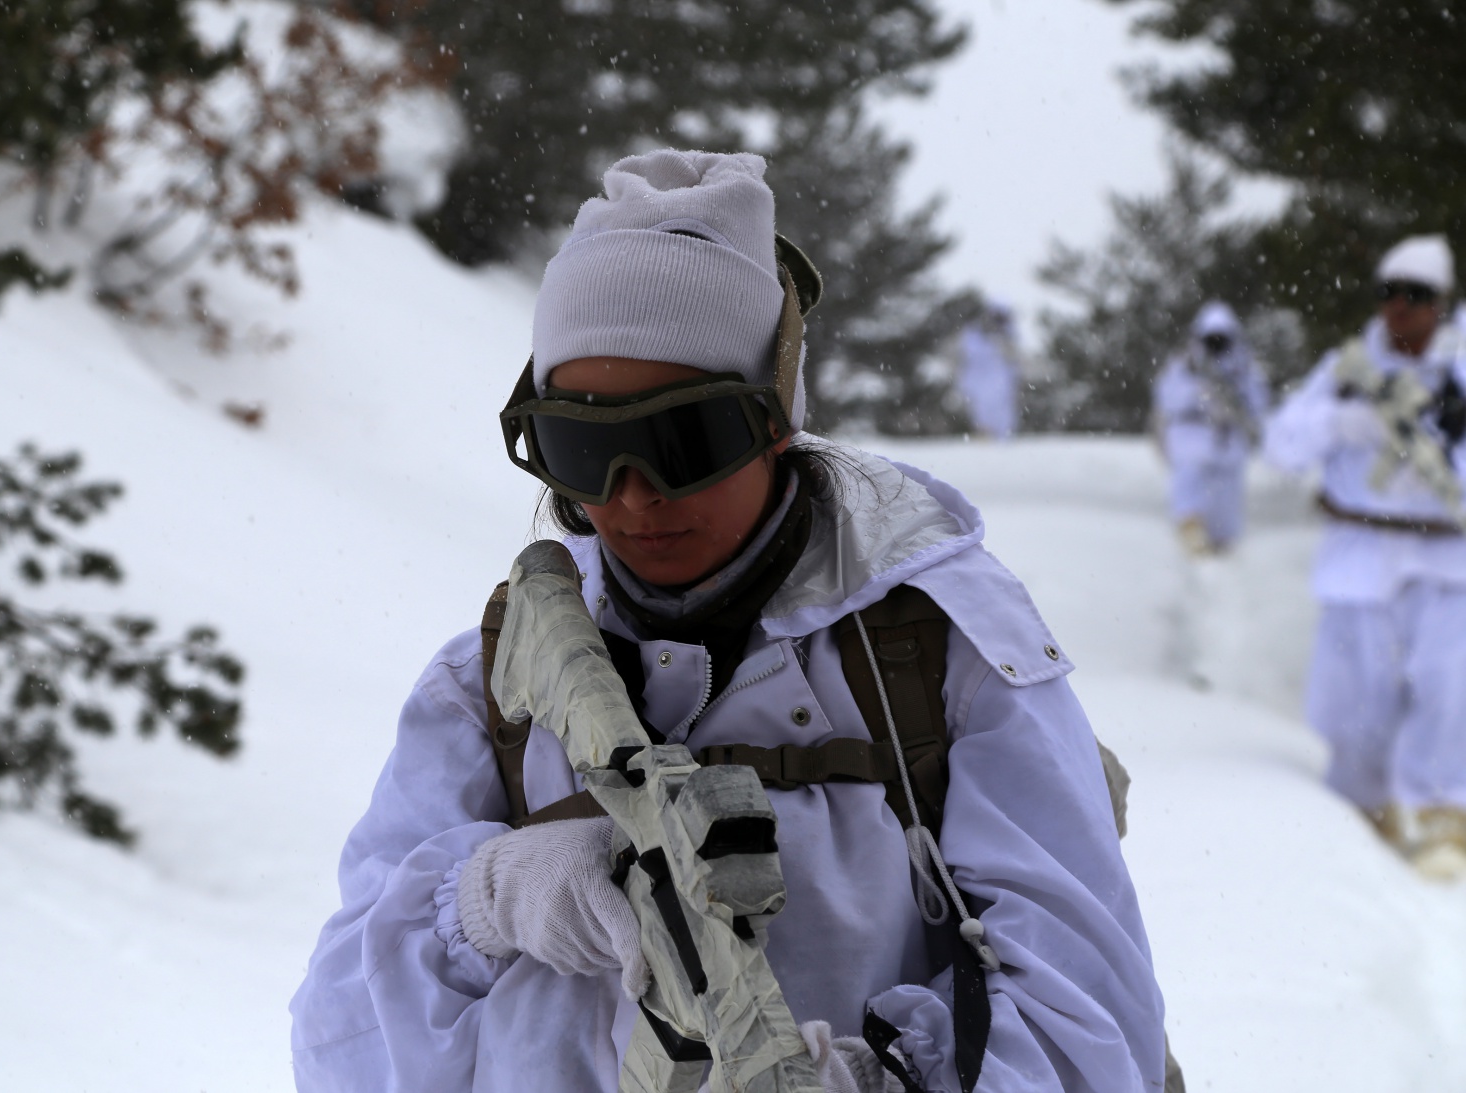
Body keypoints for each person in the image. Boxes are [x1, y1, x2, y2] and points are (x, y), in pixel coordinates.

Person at [289, 150, 1167, 1091]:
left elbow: (1094, 1030)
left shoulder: (943, 658)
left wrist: (876, 1080)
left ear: (775, 418)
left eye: (684, 440)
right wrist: (483, 900)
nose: (632, 499)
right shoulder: (492, 689)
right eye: (583, 450)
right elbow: (338, 1046)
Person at [1264, 234, 1466, 879]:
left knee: (1447, 686)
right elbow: (1282, 443)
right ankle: (1360, 813)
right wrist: (1341, 422)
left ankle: (1443, 818)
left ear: (1442, 303)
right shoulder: (1348, 367)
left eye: (1417, 296)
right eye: (1390, 294)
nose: (1401, 309)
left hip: (1446, 556)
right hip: (1362, 552)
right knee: (1357, 695)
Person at [1151, 302, 1270, 555]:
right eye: (1211, 338)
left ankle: (1223, 544)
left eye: (1222, 338)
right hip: (1192, 436)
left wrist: (1234, 404)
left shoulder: (1245, 367)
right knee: (1191, 482)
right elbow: (1166, 398)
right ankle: (1190, 530)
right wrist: (1198, 396)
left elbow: (1259, 403)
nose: (1216, 344)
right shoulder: (1184, 365)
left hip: (1228, 441)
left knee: (1226, 499)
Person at [953, 302, 1022, 440]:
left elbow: (1013, 359)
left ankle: (1002, 437)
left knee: (1001, 412)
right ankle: (984, 434)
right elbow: (962, 358)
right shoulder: (971, 335)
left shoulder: (1007, 336)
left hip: (1000, 382)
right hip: (977, 381)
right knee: (981, 411)